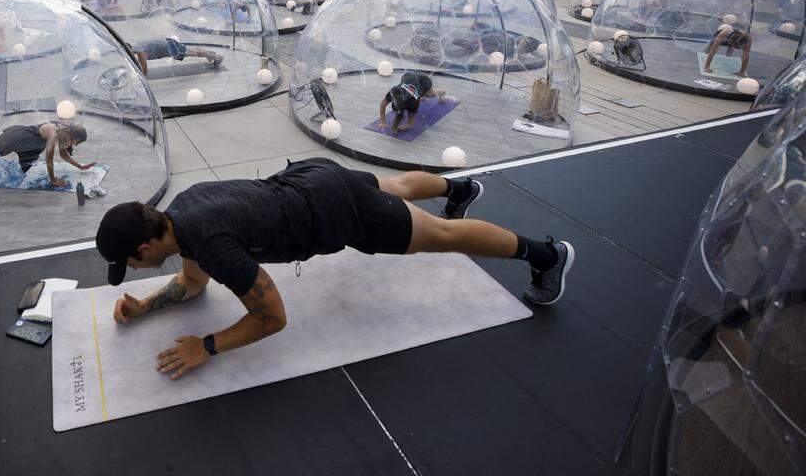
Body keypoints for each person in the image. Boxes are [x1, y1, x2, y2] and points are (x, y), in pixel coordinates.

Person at [95, 159, 572, 380]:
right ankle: (458, 189)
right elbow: (191, 284)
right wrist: (147, 307)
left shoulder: (211, 244)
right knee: (397, 185)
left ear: (143, 246)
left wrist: (208, 347)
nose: (135, 270)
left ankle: (548, 256)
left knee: (441, 238)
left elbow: (273, 318)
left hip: (337, 210)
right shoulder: (181, 212)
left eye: (130, 265)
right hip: (312, 176)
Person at [379, 71, 448, 133]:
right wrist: (383, 122)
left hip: (423, 80)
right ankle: (421, 95)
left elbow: (410, 124)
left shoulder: (414, 103)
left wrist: (404, 127)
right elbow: (383, 104)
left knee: (429, 95)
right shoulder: (393, 92)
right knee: (419, 95)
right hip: (411, 79)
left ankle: (442, 92)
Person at [128, 37, 223, 76]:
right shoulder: (137, 46)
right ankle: (210, 55)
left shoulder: (138, 50)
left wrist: (143, 75)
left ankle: (216, 57)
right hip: (168, 46)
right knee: (193, 52)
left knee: (194, 53)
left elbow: (142, 60)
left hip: (171, 49)